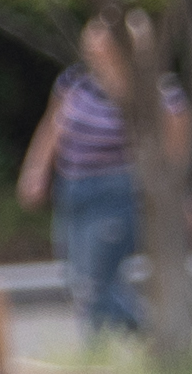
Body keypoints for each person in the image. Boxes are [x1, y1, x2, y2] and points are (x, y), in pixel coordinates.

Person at [36, 21, 146, 342]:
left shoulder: (142, 89)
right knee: (76, 280)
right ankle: (106, 351)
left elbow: (168, 143)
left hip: (117, 190)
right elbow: (52, 127)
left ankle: (149, 334)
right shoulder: (74, 81)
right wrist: (36, 171)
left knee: (95, 283)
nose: (95, 42)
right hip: (73, 189)